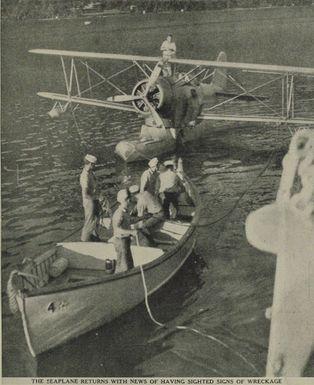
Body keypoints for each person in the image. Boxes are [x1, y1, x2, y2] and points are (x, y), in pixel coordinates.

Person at [112, 189, 137, 273]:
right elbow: (117, 230)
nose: (129, 201)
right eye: (127, 199)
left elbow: (128, 221)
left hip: (126, 241)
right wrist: (131, 232)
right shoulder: (119, 213)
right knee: (123, 266)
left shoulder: (125, 212)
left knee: (129, 264)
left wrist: (142, 218)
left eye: (129, 198)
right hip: (121, 242)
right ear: (123, 200)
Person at [80, 154, 99, 242]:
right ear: (89, 164)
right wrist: (94, 198)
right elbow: (85, 193)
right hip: (89, 201)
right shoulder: (85, 176)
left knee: (95, 219)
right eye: (93, 164)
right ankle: (84, 240)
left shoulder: (90, 172)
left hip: (94, 198)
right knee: (89, 221)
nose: (94, 166)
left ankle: (94, 237)